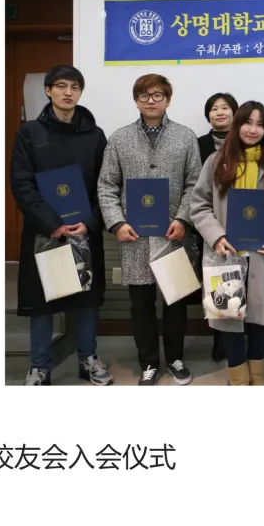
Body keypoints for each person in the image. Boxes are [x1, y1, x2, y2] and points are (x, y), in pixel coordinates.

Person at [10, 64, 113, 386]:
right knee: (42, 301)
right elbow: (21, 183)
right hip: (45, 232)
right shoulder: (30, 133)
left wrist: (90, 221)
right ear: (48, 90)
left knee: (85, 300)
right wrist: (52, 223)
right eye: (61, 86)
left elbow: (105, 185)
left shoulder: (95, 135)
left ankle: (88, 359)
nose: (68, 93)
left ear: (80, 92)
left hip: (83, 230)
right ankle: (40, 366)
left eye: (75, 87)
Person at [98, 74, 202, 386]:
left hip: (173, 234)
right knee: (140, 304)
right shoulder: (119, 138)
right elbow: (106, 186)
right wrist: (117, 223)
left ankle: (175, 358)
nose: (151, 100)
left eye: (158, 95)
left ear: (168, 100)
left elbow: (195, 184)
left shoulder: (185, 137)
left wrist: (183, 219)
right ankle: (149, 363)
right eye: (144, 95)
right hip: (134, 237)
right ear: (136, 101)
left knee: (175, 301)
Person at [189, 101, 264, 386]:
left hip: (262, 255)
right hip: (226, 254)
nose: (253, 129)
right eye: (248, 122)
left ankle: (257, 377)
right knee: (229, 318)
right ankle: (238, 379)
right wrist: (216, 236)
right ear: (237, 125)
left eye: (260, 124)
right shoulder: (216, 161)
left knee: (260, 319)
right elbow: (199, 205)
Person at [196, 92, 239, 363]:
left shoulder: (246, 142)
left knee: (237, 285)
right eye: (214, 108)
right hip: (207, 225)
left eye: (225, 108)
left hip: (241, 223)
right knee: (215, 284)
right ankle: (219, 339)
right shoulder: (198, 144)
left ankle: (238, 340)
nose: (219, 112)